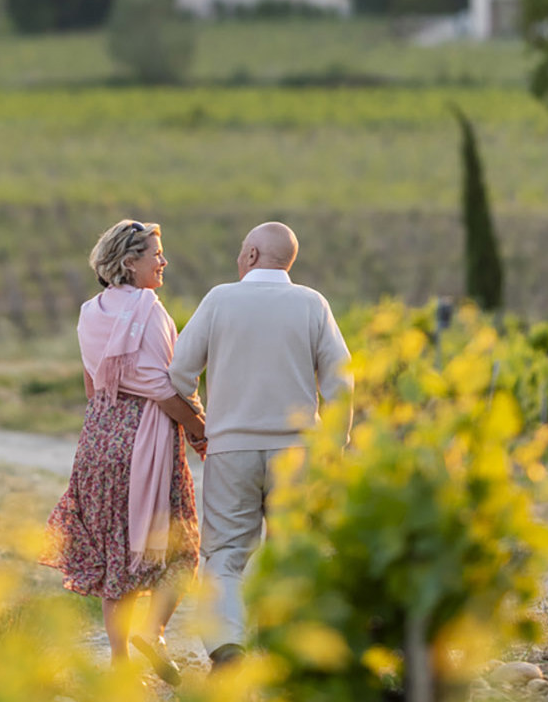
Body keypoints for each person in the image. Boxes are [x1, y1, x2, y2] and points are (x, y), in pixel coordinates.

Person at [168, 221, 352, 671]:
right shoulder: (313, 304)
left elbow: (178, 375)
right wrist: (334, 445)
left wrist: (200, 424)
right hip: (298, 450)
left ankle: (229, 648)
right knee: (293, 550)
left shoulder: (219, 300)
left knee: (227, 555)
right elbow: (341, 384)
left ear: (250, 255)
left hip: (231, 449)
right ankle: (286, 645)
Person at [43, 220, 206, 684]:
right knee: (179, 547)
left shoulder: (90, 311)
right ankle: (151, 633)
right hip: (145, 438)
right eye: (155, 253)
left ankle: (119, 665)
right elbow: (162, 386)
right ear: (128, 262)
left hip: (100, 436)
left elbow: (92, 385)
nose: (163, 261)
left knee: (117, 553)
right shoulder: (150, 311)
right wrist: (198, 429)